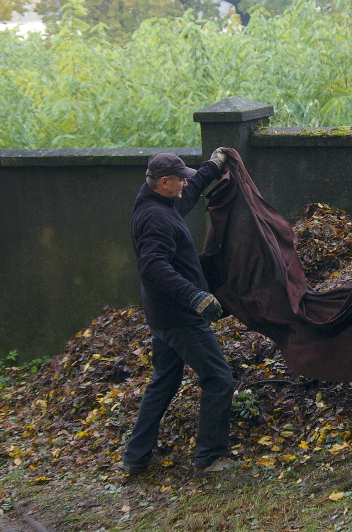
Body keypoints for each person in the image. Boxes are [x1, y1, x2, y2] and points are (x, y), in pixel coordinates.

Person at [122, 150, 236, 477]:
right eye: (180, 179)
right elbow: (152, 267)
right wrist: (196, 296)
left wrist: (212, 168)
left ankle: (136, 456)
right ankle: (210, 459)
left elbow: (191, 190)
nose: (186, 182)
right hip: (180, 317)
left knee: (164, 382)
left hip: (163, 317)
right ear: (164, 182)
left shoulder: (160, 204)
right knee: (219, 379)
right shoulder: (156, 217)